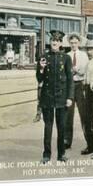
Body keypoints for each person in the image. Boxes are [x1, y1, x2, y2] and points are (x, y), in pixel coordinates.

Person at [36, 30, 74, 164]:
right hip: (47, 97)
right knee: (48, 128)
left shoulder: (66, 58)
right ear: (50, 42)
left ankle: (61, 154)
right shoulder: (44, 57)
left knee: (61, 127)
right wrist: (41, 69)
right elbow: (39, 78)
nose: (54, 42)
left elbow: (70, 80)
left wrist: (70, 97)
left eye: (57, 41)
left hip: (62, 98)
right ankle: (46, 154)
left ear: (60, 43)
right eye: (52, 40)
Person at [64, 34, 93, 153]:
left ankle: (90, 144)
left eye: (75, 43)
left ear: (79, 43)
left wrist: (75, 70)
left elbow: (84, 70)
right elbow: (66, 71)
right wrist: (73, 70)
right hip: (70, 86)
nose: (73, 45)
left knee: (84, 115)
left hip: (80, 85)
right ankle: (67, 141)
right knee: (68, 115)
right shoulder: (67, 56)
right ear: (69, 43)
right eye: (72, 43)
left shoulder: (83, 55)